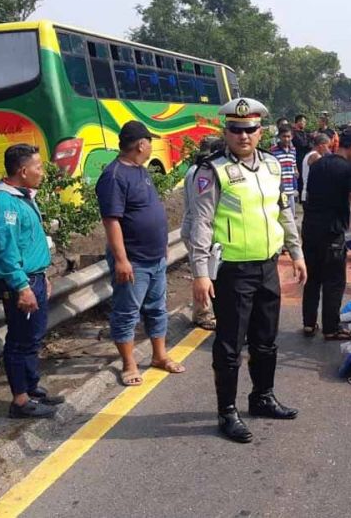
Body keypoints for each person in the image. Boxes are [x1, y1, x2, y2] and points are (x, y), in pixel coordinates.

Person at [189, 97, 307, 444]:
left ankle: (262, 397)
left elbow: (284, 211)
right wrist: (199, 273)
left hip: (269, 266)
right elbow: (201, 224)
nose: (243, 136)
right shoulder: (212, 171)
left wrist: (296, 253)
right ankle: (227, 411)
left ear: (261, 131)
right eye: (236, 130)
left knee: (266, 340)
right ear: (225, 131)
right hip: (233, 271)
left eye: (250, 129)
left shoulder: (272, 166)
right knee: (229, 345)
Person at [96, 121, 183, 388]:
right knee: (127, 312)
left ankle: (159, 355)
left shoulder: (140, 171)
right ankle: (129, 363)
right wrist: (122, 260)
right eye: (149, 142)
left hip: (155, 257)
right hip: (133, 259)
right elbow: (112, 221)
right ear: (141, 144)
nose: (151, 146)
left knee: (157, 308)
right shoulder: (114, 176)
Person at [0, 144, 64, 419]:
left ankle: (32, 390)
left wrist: (42, 276)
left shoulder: (22, 196)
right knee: (20, 340)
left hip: (34, 278)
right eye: (38, 167)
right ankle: (20, 401)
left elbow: (28, 241)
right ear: (23, 170)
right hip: (21, 282)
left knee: (33, 337)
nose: (42, 172)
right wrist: (22, 286)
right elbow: (6, 250)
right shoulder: (3, 202)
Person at [301, 128, 351, 340]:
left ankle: (308, 323)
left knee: (313, 278)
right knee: (333, 282)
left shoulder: (317, 164)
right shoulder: (349, 169)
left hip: (310, 230)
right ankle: (331, 328)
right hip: (331, 234)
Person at [182, 134, 225, 331]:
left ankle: (205, 311)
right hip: (197, 229)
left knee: (206, 271)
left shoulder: (195, 169)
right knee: (203, 273)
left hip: (194, 228)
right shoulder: (203, 172)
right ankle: (202, 314)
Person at [270, 124, 299, 213]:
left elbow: (294, 165)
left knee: (292, 215)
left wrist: (296, 172)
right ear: (279, 136)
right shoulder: (273, 151)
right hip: (279, 189)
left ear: (292, 137)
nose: (286, 139)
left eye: (288, 136)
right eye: (284, 136)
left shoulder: (293, 150)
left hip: (290, 188)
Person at [301, 132, 331, 203]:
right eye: (328, 146)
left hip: (308, 193)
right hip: (312, 194)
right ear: (321, 145)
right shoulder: (316, 157)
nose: (328, 150)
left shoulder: (308, 154)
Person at [292, 115, 311, 196]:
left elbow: (310, 145)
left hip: (305, 159)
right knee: (300, 179)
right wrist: (308, 144)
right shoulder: (294, 133)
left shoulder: (305, 133)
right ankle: (300, 197)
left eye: (305, 122)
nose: (304, 123)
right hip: (298, 158)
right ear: (298, 122)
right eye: (302, 121)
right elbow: (302, 144)